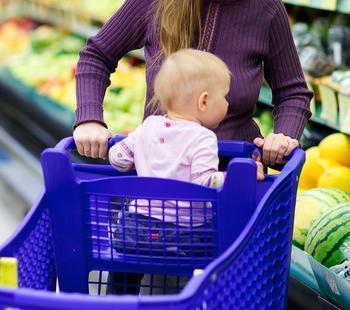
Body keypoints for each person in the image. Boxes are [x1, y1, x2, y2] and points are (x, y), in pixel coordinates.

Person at [73, 0, 313, 166]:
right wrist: (90, 119)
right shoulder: (155, 4)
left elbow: (292, 93)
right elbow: (97, 56)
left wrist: (283, 136)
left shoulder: (266, 8)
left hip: (234, 177)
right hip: (158, 174)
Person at [106, 48, 264, 295]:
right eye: (224, 97)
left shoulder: (149, 125)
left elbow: (117, 158)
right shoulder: (203, 138)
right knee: (215, 259)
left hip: (135, 229)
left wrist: (138, 154)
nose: (227, 103)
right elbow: (204, 182)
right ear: (203, 101)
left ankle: (116, 301)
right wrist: (239, 175)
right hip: (183, 234)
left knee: (124, 269)